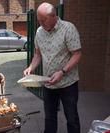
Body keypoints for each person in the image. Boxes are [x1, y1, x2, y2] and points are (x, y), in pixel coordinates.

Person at [23, 2, 82, 133]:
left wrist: (62, 72)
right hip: (48, 84)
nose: (41, 24)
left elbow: (77, 54)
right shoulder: (39, 32)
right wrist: (31, 67)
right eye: (39, 21)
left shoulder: (68, 29)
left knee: (72, 118)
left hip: (68, 84)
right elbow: (38, 54)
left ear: (54, 16)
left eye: (43, 20)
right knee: (49, 118)